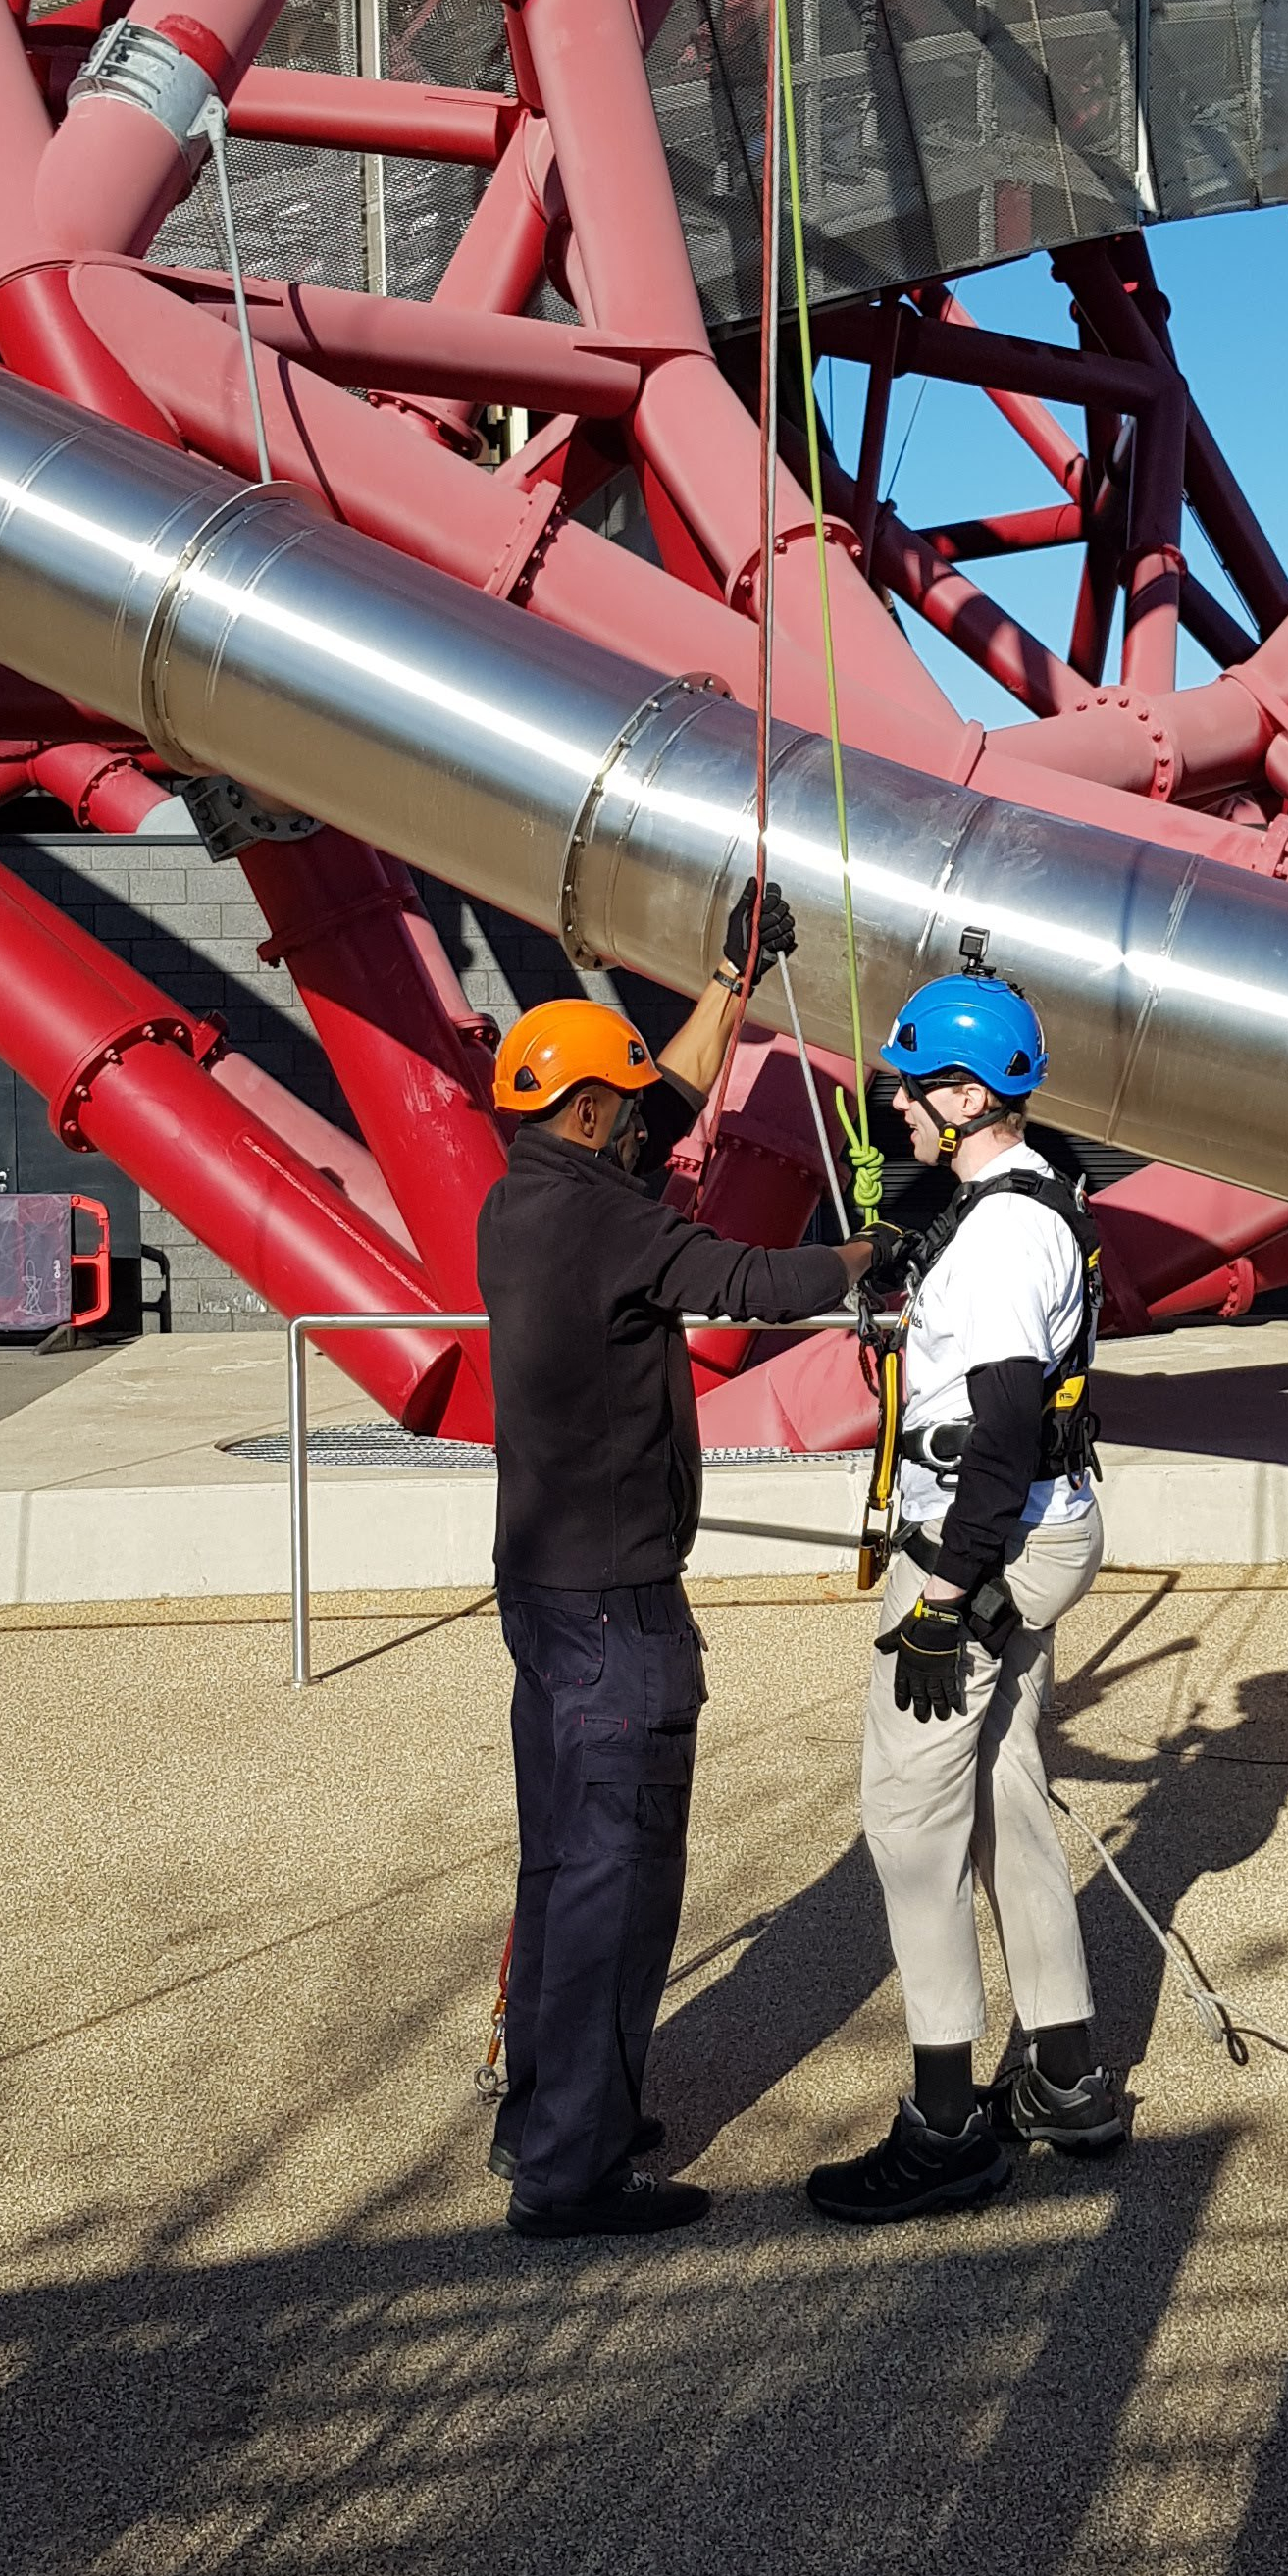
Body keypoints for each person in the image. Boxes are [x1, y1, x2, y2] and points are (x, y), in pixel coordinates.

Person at [480, 875, 897, 2242]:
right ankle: (575, 2172)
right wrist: (870, 1255)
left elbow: (656, 1099)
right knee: (618, 1872)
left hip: (546, 1592)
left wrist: (731, 977)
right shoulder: (607, 1219)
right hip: (615, 1607)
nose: (635, 1122)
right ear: (585, 1117)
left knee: (558, 1865)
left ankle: (547, 2111)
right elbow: (744, 1279)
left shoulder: (526, 1195)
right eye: (618, 1108)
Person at [806, 964, 1118, 2226]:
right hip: (1036, 1529)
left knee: (909, 1821)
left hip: (976, 1540)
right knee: (1003, 1791)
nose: (895, 1102)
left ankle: (944, 2123)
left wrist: (942, 1597)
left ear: (961, 1092)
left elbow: (994, 1431)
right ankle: (1065, 2077)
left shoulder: (998, 1236)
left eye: (909, 1083)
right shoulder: (1032, 1200)